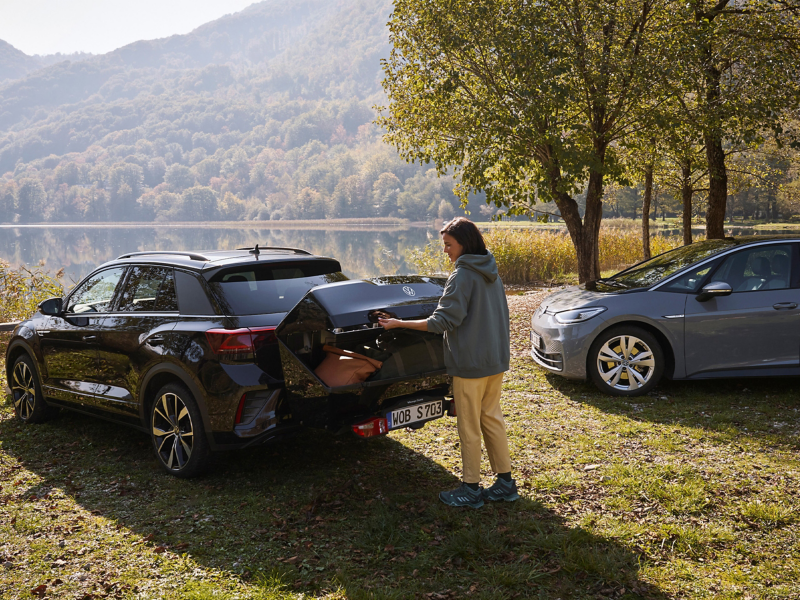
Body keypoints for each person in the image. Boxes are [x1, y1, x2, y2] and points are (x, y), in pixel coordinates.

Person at [379, 217, 517, 508]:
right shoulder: (491, 271)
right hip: (494, 361)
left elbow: (442, 321)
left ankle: (470, 488)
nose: (446, 251)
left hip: (470, 364)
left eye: (448, 244)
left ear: (464, 244)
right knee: (492, 419)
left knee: (469, 427)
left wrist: (398, 324)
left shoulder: (463, 275)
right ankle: (506, 483)